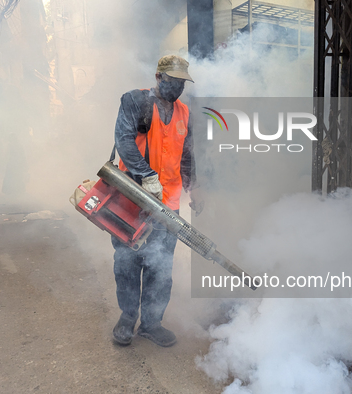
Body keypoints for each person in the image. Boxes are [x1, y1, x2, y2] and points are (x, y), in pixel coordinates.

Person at [111, 55, 204, 347]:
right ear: (158, 76)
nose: (177, 88)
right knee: (128, 260)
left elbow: (186, 155)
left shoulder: (185, 113)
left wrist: (194, 187)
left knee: (160, 264)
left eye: (181, 83)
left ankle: (152, 323)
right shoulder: (135, 101)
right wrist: (146, 174)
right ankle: (127, 318)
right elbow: (123, 140)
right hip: (132, 199)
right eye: (172, 81)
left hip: (169, 204)